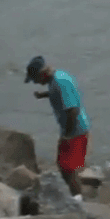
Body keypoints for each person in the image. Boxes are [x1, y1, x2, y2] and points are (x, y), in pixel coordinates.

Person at [25, 57, 88, 200]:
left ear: (41, 74)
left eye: (34, 79)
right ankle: (76, 195)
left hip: (75, 130)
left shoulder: (60, 82)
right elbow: (62, 94)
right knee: (65, 166)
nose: (35, 83)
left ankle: (78, 200)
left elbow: (72, 110)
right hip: (73, 129)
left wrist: (67, 135)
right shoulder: (57, 78)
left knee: (68, 168)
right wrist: (44, 95)